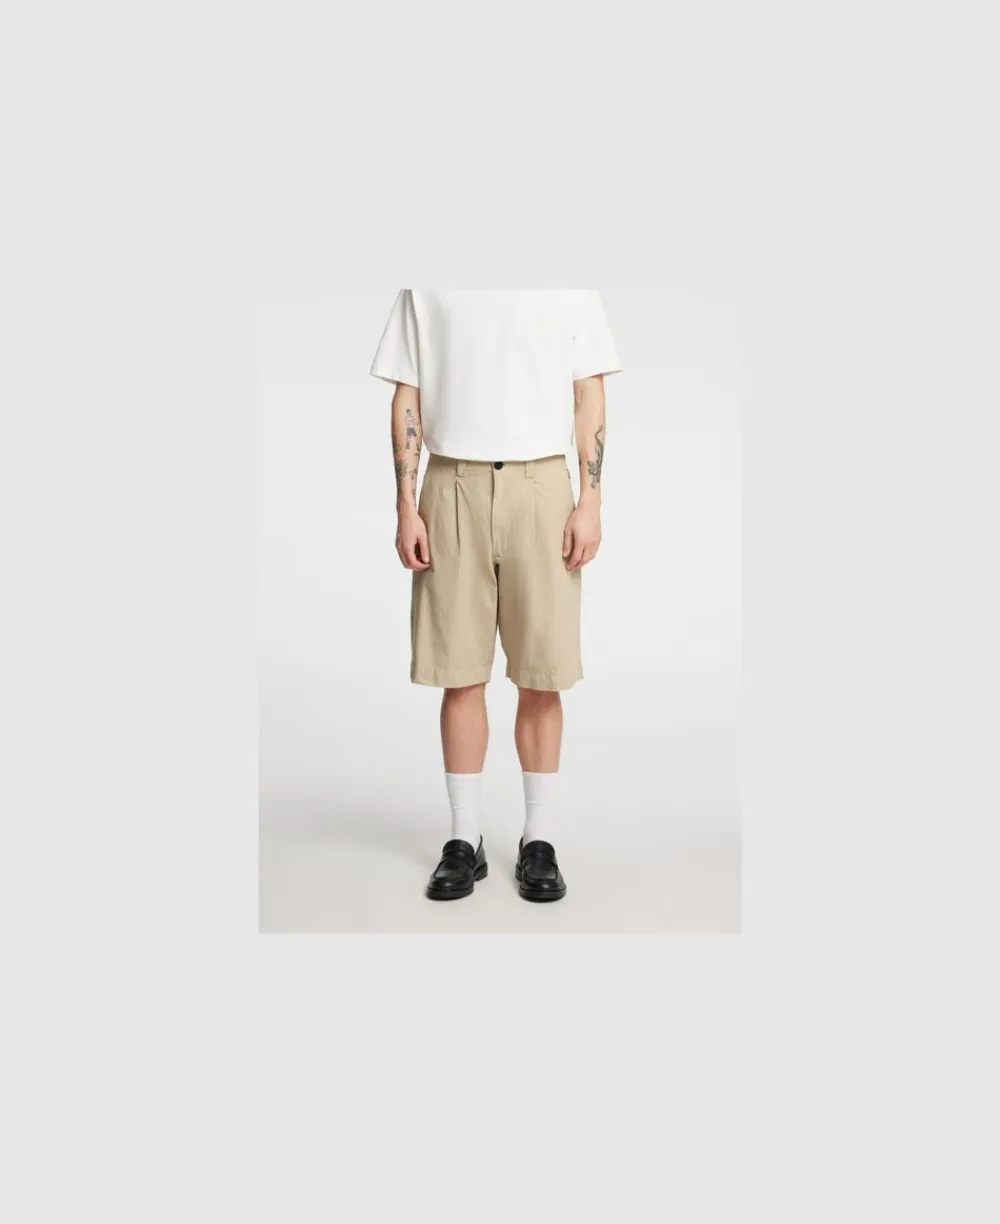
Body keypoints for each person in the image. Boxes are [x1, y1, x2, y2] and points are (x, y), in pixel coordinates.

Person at [370, 290, 620, 902]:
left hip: (541, 483)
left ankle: (539, 839)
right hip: (451, 481)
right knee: (459, 674)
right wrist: (405, 504)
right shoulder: (425, 284)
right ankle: (464, 839)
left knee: (542, 673)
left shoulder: (570, 283)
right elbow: (407, 392)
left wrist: (590, 499)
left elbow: (588, 391)